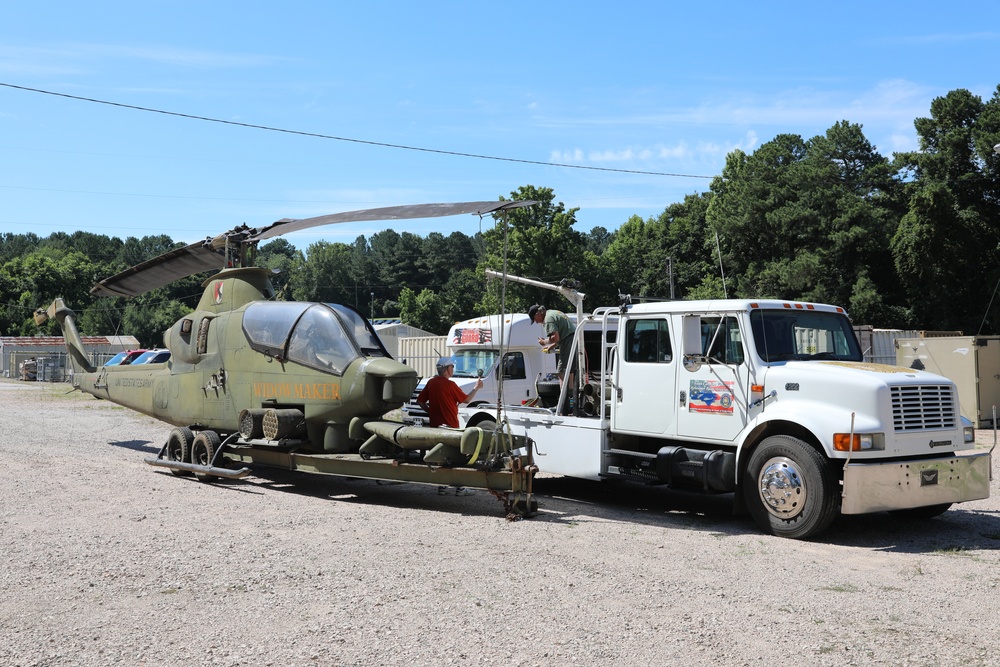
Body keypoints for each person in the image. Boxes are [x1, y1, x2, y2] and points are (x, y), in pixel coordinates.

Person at [417, 357, 483, 496]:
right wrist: (476, 388)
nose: (453, 369)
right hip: (451, 427)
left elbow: (421, 401)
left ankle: (442, 487)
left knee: (441, 456)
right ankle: (459, 488)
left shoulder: (431, 383)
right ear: (447, 369)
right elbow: (466, 399)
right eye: (452, 366)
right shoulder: (450, 385)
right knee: (457, 457)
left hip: (436, 428)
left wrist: (431, 411)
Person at [529, 304, 576, 413]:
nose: (536, 322)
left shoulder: (548, 319)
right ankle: (571, 403)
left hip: (567, 342)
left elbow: (555, 337)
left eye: (534, 319)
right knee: (570, 373)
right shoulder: (553, 312)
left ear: (538, 314)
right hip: (572, 340)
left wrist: (544, 342)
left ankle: (563, 404)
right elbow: (563, 334)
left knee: (561, 372)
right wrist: (552, 346)